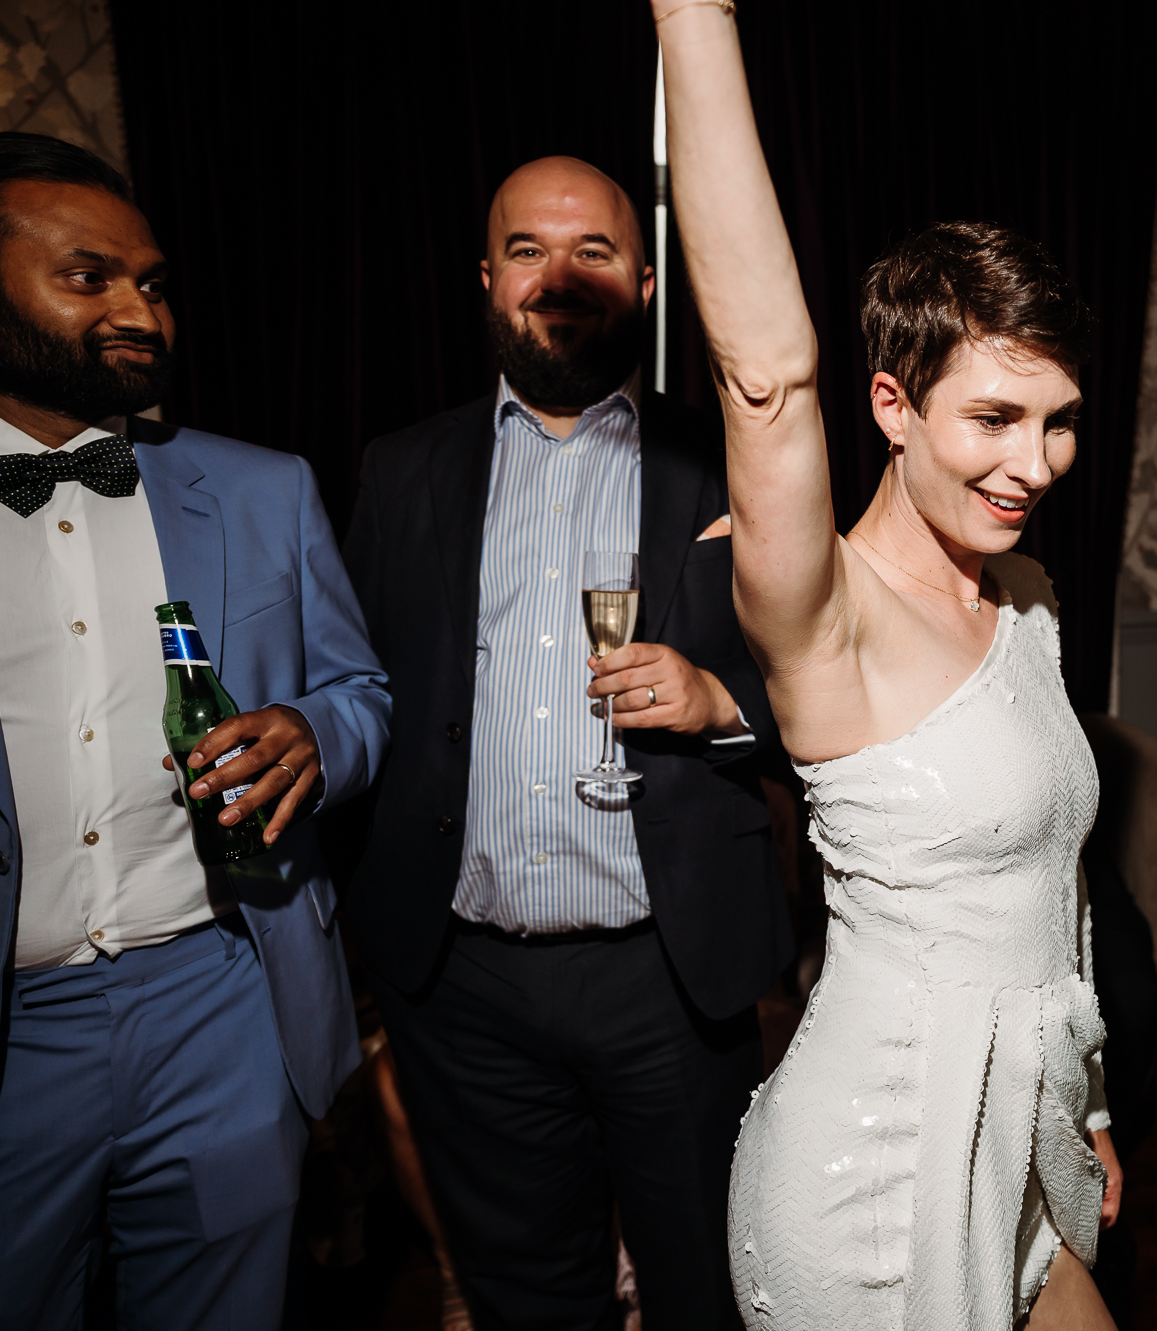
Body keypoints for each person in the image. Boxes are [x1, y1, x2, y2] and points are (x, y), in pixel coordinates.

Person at [653, 6, 1120, 1329]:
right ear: (893, 405)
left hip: (1021, 1149)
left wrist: (1079, 1109)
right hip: (875, 1177)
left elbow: (1055, 881)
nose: (1036, 463)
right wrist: (697, 21)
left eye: (1061, 420)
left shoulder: (1025, 596)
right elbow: (761, 374)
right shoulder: (826, 613)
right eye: (995, 416)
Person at [341, 155, 789, 1330]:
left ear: (644, 279)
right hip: (464, 981)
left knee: (711, 1290)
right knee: (527, 1299)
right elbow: (359, 690)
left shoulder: (733, 462)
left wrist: (720, 702)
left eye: (593, 249)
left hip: (667, 972)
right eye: (529, 250)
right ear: (486, 277)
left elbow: (822, 686)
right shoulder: (399, 471)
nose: (560, 274)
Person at [0, 133, 390, 1328]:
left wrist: (319, 735)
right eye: (89, 278)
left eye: (153, 283)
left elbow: (366, 691)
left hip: (219, 992)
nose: (138, 310)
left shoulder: (264, 488)